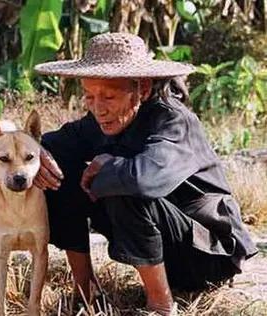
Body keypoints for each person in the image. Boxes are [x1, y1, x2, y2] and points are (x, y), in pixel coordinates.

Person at [33, 32, 258, 315]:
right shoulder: (101, 119)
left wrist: (106, 164)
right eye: (90, 96)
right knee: (57, 176)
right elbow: (56, 144)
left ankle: (161, 305)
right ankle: (86, 291)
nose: (98, 109)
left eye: (109, 97)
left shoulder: (173, 121)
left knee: (122, 186)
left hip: (207, 255)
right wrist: (38, 154)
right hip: (162, 250)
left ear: (143, 89)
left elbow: (144, 179)